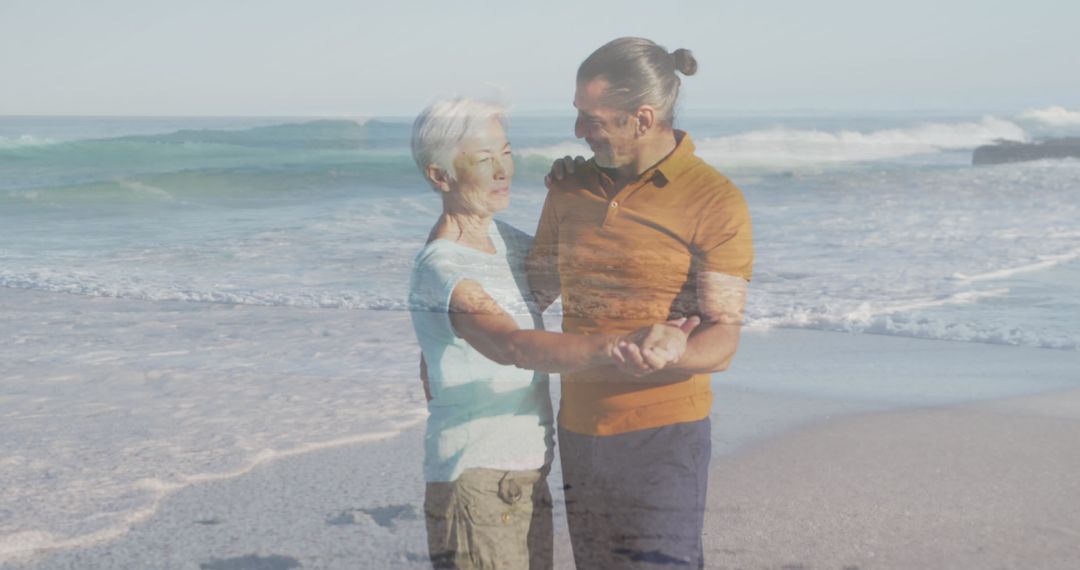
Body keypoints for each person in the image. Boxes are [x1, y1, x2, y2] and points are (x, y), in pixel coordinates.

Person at [407, 97, 698, 569]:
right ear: (440, 176)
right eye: (483, 159)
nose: (503, 170)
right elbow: (513, 343)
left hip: (522, 472)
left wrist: (574, 191)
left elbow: (555, 275)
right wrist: (616, 346)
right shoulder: (443, 268)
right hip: (477, 476)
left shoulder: (503, 241)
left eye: (505, 152)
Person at [526, 37, 754, 568]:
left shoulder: (713, 199)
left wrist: (671, 348)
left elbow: (722, 341)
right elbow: (531, 293)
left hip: (664, 433)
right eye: (578, 115)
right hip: (578, 428)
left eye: (594, 119)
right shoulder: (569, 187)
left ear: (643, 117)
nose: (579, 131)